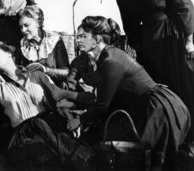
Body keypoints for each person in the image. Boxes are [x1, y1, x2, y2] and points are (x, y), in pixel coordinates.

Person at [52, 15, 191, 170]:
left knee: (147, 159)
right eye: (78, 37)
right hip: (142, 107)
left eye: (83, 37)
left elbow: (102, 106)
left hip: (158, 110)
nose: (78, 40)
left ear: (97, 39)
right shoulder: (104, 57)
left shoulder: (111, 61)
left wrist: (79, 120)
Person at [106, 0, 194, 149]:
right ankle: (166, 135)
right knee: (157, 90)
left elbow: (185, 6)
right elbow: (129, 25)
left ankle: (189, 138)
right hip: (148, 46)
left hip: (172, 38)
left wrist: (189, 40)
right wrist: (139, 50)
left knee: (182, 85)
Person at [0, 41, 93, 170]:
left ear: (8, 53)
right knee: (43, 159)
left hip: (49, 125)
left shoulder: (36, 74)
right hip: (24, 134)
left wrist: (71, 118)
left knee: (75, 155)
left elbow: (59, 99)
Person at [17, 5, 69, 88]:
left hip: (57, 88)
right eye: (21, 27)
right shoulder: (22, 45)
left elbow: (66, 72)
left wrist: (45, 69)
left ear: (38, 23)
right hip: (34, 89)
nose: (23, 30)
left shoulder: (54, 40)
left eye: (26, 25)